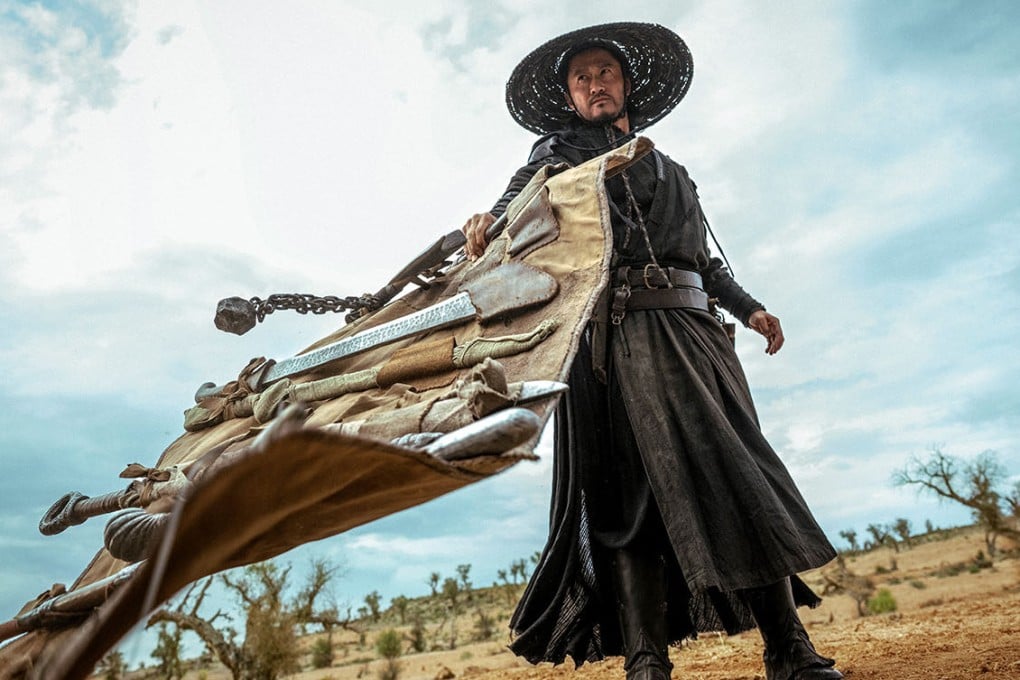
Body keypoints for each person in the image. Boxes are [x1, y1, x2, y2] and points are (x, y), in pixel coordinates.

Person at [462, 23, 843, 680]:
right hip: (612, 345)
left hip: (696, 339)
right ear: (570, 98)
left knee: (738, 475)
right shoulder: (558, 156)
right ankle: (646, 663)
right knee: (625, 500)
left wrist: (750, 308)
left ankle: (789, 651)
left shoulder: (673, 171)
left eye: (603, 72)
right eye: (580, 78)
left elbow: (700, 260)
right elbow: (514, 202)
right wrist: (484, 222)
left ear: (626, 83)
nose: (593, 84)